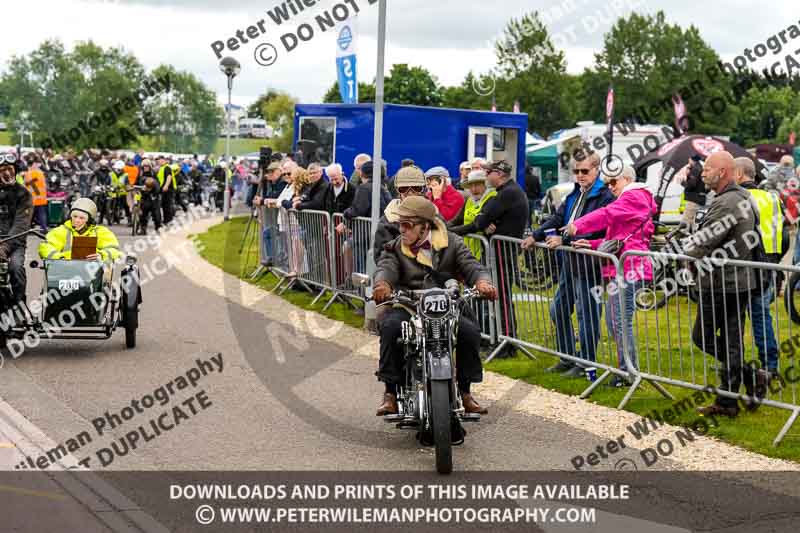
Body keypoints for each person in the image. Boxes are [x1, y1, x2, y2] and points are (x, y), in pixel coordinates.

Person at [372, 196, 498, 416]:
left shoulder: (452, 242)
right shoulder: (394, 248)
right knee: (391, 328)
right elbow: (386, 267)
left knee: (469, 331)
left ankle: (465, 391)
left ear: (424, 226)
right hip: (409, 305)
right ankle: (390, 392)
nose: (401, 230)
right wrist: (382, 284)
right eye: (399, 224)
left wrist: (482, 282)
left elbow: (471, 265)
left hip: (447, 305)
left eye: (407, 225)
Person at [683, 151, 764, 417]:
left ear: (724, 172)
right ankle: (730, 399)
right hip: (734, 281)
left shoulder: (728, 202)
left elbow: (704, 242)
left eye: (708, 168)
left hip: (721, 282)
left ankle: (747, 379)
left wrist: (683, 256)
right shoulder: (740, 197)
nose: (703, 172)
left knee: (702, 337)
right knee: (731, 343)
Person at [562, 166, 656, 386]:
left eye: (614, 181)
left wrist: (579, 224)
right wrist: (593, 243)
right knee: (616, 322)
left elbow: (606, 214)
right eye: (607, 183)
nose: (610, 187)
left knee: (619, 323)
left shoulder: (633, 196)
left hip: (630, 267)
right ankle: (626, 371)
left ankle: (627, 374)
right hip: (625, 265)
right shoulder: (633, 197)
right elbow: (619, 238)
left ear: (627, 179)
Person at [522, 153, 614, 374]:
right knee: (558, 309)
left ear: (596, 170)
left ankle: (586, 363)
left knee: (587, 314)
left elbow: (598, 229)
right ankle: (567, 356)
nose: (580, 175)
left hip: (589, 263)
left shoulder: (605, 196)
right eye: (576, 171)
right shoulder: (574, 193)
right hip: (569, 262)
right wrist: (536, 235)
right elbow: (557, 218)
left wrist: (563, 239)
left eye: (585, 171)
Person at [469, 160, 530, 357]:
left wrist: (483, 223)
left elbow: (481, 219)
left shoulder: (508, 193)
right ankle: (501, 339)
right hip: (501, 251)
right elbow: (484, 219)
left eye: (489, 173)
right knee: (499, 297)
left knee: (502, 298)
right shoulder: (506, 192)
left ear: (499, 174)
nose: (486, 177)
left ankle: (507, 343)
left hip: (504, 253)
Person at [735, 156, 784, 378]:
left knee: (738, 315)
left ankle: (738, 365)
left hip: (747, 263)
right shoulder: (772, 198)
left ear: (739, 174)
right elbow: (783, 237)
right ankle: (770, 364)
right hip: (770, 262)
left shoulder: (740, 198)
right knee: (761, 314)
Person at [373, 165, 429, 265]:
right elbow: (382, 258)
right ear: (398, 191)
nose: (410, 193)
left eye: (416, 188)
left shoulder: (434, 215)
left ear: (423, 190)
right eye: (404, 189)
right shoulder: (388, 220)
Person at [39, 198, 121, 264]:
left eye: (82, 218)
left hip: (93, 275)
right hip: (64, 273)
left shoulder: (101, 232)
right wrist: (60, 258)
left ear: (89, 220)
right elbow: (46, 247)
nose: (77, 220)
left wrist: (101, 255)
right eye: (74, 216)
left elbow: (114, 249)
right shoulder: (60, 231)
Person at [0, 152, 33, 305]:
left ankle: (19, 306)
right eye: (2, 170)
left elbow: (21, 225)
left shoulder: (23, 194)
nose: (7, 173)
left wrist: (5, 247)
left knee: (15, 268)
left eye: (10, 169)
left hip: (14, 244)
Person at [448, 170, 497, 260]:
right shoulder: (469, 200)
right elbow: (457, 220)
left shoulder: (492, 198)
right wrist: (443, 228)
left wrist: (451, 231)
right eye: (471, 185)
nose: (474, 189)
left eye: (477, 185)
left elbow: (476, 225)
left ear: (485, 184)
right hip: (469, 251)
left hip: (486, 252)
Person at [24, 156, 48, 233]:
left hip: (32, 198)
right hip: (41, 198)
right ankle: (43, 229)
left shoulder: (28, 174)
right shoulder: (41, 173)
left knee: (29, 215)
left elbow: (26, 185)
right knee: (42, 215)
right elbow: (44, 185)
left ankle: (27, 230)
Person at [138, 160, 161, 234]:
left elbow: (158, 185)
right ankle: (143, 229)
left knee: (156, 214)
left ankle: (158, 228)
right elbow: (136, 183)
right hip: (144, 197)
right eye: (144, 166)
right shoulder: (140, 174)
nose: (145, 167)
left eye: (147, 166)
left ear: (150, 167)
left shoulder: (153, 174)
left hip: (153, 197)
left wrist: (153, 191)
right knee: (143, 214)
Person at [156, 156, 175, 224]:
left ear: (163, 160)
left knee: (167, 206)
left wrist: (166, 186)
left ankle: (168, 221)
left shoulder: (167, 167)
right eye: (158, 161)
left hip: (167, 190)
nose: (158, 162)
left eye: (160, 160)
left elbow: (169, 177)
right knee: (164, 205)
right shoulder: (162, 168)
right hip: (163, 190)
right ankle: (166, 221)